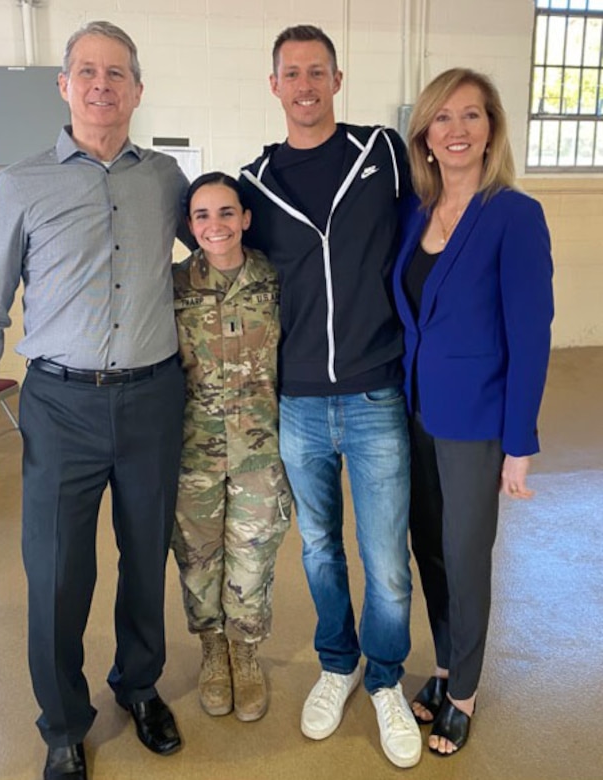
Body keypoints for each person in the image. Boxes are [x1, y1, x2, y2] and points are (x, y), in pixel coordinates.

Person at [0, 20, 192, 780]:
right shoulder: (22, 183)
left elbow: (220, 247)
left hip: (153, 400)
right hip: (59, 407)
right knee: (58, 572)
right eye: (87, 72)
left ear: (136, 89)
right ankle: (63, 723)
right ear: (64, 86)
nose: (102, 85)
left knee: (145, 559)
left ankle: (139, 685)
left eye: (117, 72)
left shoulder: (165, 180)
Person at [239, 25, 421, 769]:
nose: (305, 84)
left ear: (338, 80)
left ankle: (384, 681)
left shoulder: (381, 153)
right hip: (300, 404)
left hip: (376, 393)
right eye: (292, 73)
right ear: (274, 84)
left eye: (318, 71)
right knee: (317, 550)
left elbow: (425, 237)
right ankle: (338, 664)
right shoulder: (252, 184)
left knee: (385, 561)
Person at [392, 68, 554, 756]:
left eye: (471, 117)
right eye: (443, 118)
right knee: (428, 549)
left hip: (475, 421)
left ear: (492, 131)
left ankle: (465, 692)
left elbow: (531, 333)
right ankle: (443, 665)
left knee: (464, 555)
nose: (456, 130)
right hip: (414, 415)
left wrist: (518, 444)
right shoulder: (415, 214)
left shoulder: (513, 215)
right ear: (425, 135)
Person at [170, 171, 291, 724]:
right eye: (201, 215)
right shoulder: (171, 285)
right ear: (189, 226)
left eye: (225, 213)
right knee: (197, 560)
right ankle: (212, 651)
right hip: (191, 452)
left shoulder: (276, 280)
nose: (214, 225)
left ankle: (245, 651)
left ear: (245, 218)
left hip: (260, 453)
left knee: (252, 559)